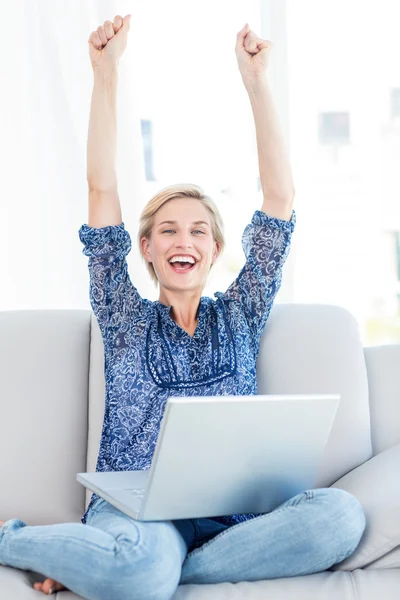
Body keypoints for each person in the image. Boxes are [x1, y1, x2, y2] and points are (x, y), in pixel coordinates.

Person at [0, 14, 366, 600]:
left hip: (233, 520)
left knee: (341, 517)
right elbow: (101, 191)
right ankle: (26, 543)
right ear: (146, 248)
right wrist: (106, 72)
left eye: (199, 231)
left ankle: (117, 568)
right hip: (143, 516)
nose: (184, 241)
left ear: (216, 249)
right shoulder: (123, 318)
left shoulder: (241, 314)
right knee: (141, 567)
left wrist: (257, 83)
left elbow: (280, 198)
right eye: (167, 230)